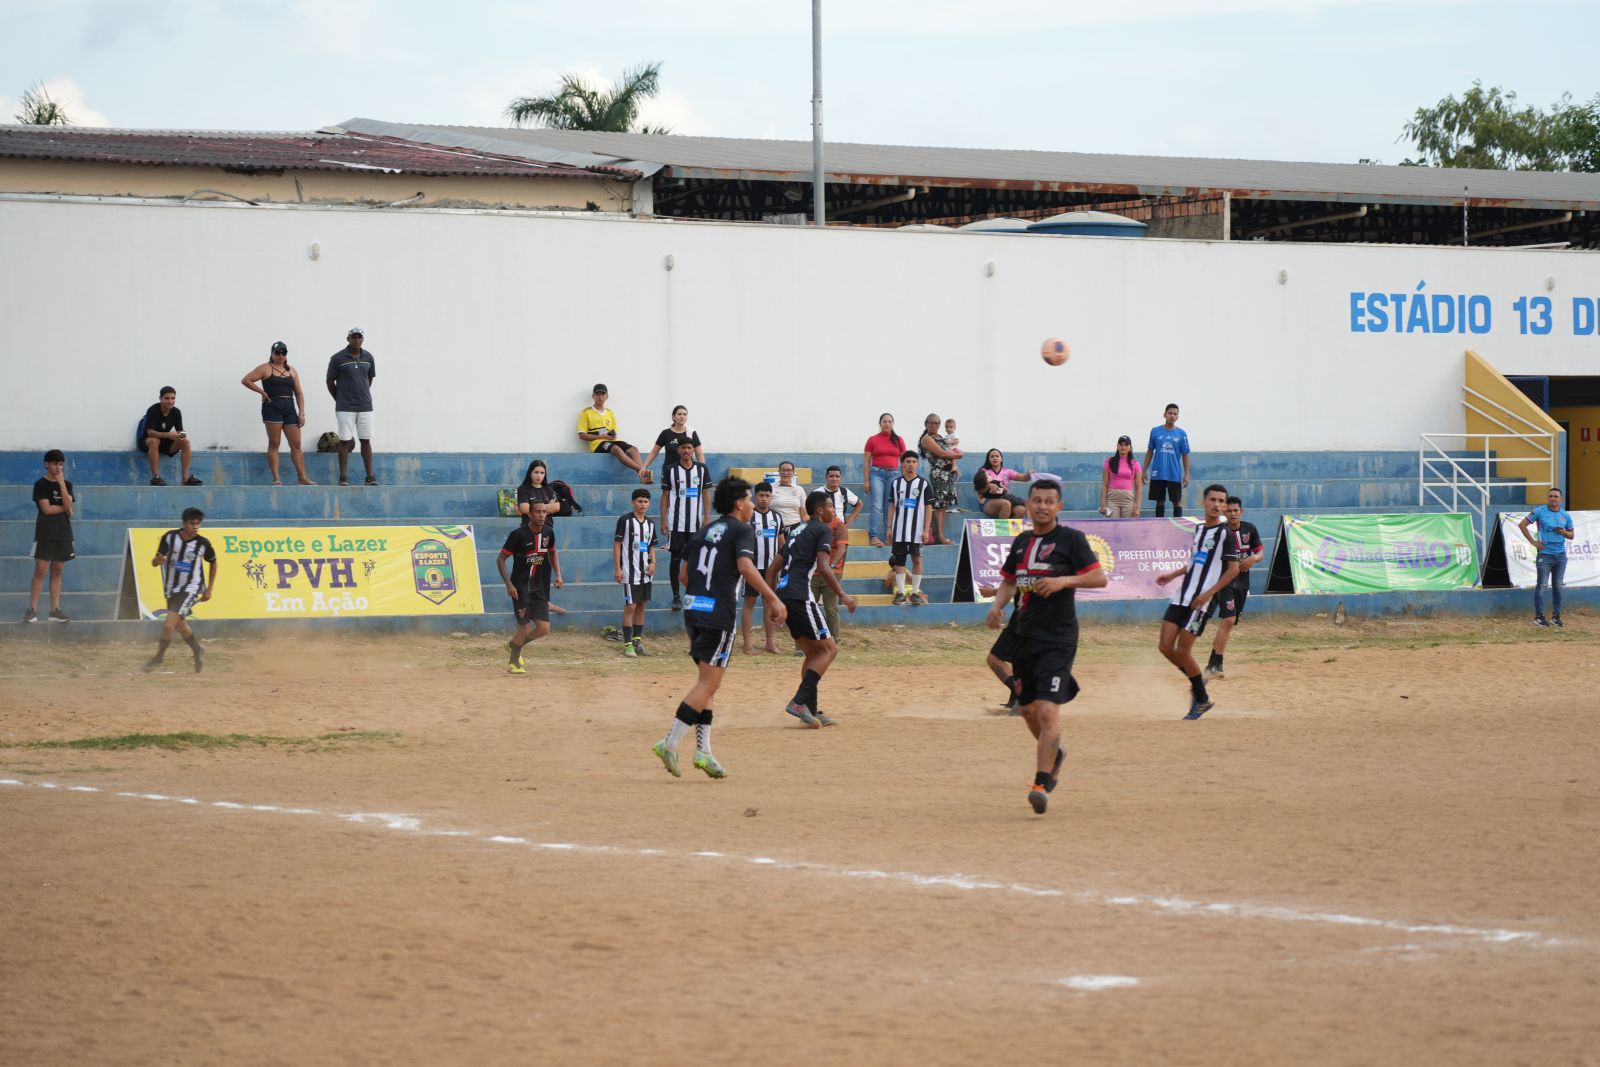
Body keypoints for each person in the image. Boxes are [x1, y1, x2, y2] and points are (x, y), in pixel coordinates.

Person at [649, 477, 787, 780]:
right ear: (739, 504)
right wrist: (773, 598)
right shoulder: (742, 530)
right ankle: (669, 742)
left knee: (706, 683)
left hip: (693, 611)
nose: (753, 505)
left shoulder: (702, 532)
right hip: (718, 615)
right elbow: (746, 567)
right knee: (708, 685)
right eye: (750, 499)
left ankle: (704, 752)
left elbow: (684, 575)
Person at [985, 479, 1107, 815]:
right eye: (1037, 500)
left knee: (1048, 710)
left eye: (1049, 501)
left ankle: (1041, 783)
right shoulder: (1022, 541)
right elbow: (1010, 579)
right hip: (1024, 634)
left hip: (1058, 637)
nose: (1042, 506)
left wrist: (1063, 580)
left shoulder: (1071, 540)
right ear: (1028, 502)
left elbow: (1099, 578)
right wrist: (997, 605)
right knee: (1027, 710)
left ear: (1059, 507)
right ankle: (1056, 751)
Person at [768, 490, 858, 727]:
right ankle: (799, 702)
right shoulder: (823, 530)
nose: (833, 511)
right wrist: (843, 595)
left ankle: (812, 710)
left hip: (785, 594)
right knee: (829, 650)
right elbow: (823, 566)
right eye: (830, 506)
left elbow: (771, 569)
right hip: (800, 595)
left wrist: (772, 601)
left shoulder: (796, 530)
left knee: (812, 653)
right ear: (820, 510)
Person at [1154, 484, 1240, 720]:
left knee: (1183, 650)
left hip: (1201, 602)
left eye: (1221, 501)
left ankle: (1200, 698)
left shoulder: (1226, 534)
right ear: (1203, 502)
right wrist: (1172, 575)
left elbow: (1233, 570)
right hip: (1182, 596)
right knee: (1164, 646)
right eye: (1213, 499)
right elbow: (1196, 562)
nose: (1217, 505)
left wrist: (1208, 594)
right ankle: (1197, 682)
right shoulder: (1200, 530)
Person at [142, 507, 216, 674]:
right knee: (181, 627)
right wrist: (157, 560)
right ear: (184, 523)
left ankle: (158, 658)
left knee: (168, 626)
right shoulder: (170, 537)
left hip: (190, 589)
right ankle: (198, 650)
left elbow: (213, 562)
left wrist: (209, 588)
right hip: (171, 589)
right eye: (192, 523)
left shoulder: (203, 543)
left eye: (198, 524)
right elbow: (155, 561)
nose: (195, 527)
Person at [497, 501, 562, 675]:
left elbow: (553, 552)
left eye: (544, 512)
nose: (542, 515)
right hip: (520, 588)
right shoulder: (518, 535)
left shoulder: (549, 532)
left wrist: (558, 575)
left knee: (544, 629)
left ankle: (514, 645)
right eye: (538, 512)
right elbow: (500, 559)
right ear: (530, 514)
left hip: (538, 587)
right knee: (524, 628)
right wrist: (509, 584)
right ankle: (513, 662)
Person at [241, 341, 314, 486]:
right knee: (275, 443)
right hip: (272, 407)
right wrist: (261, 391)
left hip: (289, 407)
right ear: (272, 354)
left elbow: (299, 393)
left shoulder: (292, 371)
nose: (281, 355)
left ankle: (302, 477)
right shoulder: (265, 368)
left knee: (296, 444)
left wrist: (302, 413)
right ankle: (276, 477)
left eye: (283, 353)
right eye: (278, 353)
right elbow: (246, 380)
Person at [1206, 496, 1263, 678]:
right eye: (1229, 511)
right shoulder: (1220, 533)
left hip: (1242, 584)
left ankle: (1212, 664)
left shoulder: (1250, 529)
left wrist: (1253, 558)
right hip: (1224, 583)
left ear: (1241, 511)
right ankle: (1218, 664)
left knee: (1228, 623)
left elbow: (1260, 552)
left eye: (1235, 510)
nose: (1232, 514)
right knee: (1229, 620)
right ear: (1224, 512)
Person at [24, 449, 74, 623]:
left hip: (64, 533)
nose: (57, 467)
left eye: (60, 464)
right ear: (47, 464)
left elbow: (70, 506)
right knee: (41, 570)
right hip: (45, 532)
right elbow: (47, 509)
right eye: (54, 464)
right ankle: (32, 610)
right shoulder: (40, 484)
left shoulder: (66, 484)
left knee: (58, 570)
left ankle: (55, 610)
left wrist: (61, 484)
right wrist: (65, 508)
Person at [661, 438, 711, 611]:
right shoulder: (671, 470)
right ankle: (676, 596)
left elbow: (705, 494)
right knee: (675, 559)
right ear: (678, 450)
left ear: (693, 450)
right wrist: (663, 520)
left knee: (696, 560)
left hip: (696, 524)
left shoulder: (702, 469)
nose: (686, 450)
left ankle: (694, 593)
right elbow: (665, 496)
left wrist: (706, 517)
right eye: (683, 447)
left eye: (689, 447)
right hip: (676, 523)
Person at [326, 327, 377, 487]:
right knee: (345, 441)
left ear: (363, 339)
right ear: (348, 339)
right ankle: (343, 477)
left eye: (359, 337)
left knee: (365, 440)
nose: (357, 340)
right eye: (354, 337)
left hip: (365, 406)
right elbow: (330, 381)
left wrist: (362, 393)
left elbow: (369, 378)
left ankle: (369, 476)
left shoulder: (368, 357)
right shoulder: (337, 358)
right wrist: (339, 398)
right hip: (345, 407)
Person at [814, 466, 861, 639]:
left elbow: (859, 504)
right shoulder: (818, 493)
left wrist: (850, 520)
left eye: (837, 476)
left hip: (837, 539)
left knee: (837, 565)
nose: (834, 479)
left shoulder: (844, 492)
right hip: (821, 541)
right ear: (826, 477)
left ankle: (834, 638)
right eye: (831, 476)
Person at [1519, 487, 1575, 628]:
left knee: (1558, 586)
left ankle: (1556, 617)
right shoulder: (1539, 511)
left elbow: (1572, 535)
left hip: (1561, 556)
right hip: (1545, 555)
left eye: (1556, 496)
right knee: (1542, 586)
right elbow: (1522, 525)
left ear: (1560, 499)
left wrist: (1563, 532)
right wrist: (1533, 542)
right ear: (1547, 498)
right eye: (1550, 496)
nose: (1553, 498)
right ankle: (1539, 617)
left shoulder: (1565, 515)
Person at [613, 488, 658, 657]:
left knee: (641, 606)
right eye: (640, 501)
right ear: (633, 502)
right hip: (629, 572)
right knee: (630, 607)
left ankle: (637, 642)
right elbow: (617, 544)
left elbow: (651, 546)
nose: (643, 504)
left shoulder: (650, 524)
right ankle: (628, 644)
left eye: (646, 501)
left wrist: (653, 563)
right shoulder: (625, 521)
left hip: (646, 572)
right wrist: (617, 568)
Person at [578, 383, 651, 484]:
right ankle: (642, 472)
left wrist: (611, 436)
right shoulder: (586, 413)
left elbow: (614, 432)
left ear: (606, 396)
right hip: (597, 444)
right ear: (593, 396)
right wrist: (601, 436)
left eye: (602, 394)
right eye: (597, 394)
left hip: (610, 441)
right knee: (616, 449)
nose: (600, 397)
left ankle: (643, 477)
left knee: (634, 449)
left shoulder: (609, 412)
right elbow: (582, 435)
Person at [741, 482, 783, 654]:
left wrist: (783, 563)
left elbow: (782, 543)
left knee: (770, 604)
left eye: (767, 496)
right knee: (749, 602)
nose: (764, 499)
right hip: (752, 567)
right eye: (761, 495)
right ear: (755, 496)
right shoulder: (748, 516)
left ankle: (770, 643)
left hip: (771, 569)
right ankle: (747, 644)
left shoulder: (777, 517)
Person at [889, 450, 932, 606]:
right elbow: (892, 506)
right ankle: (900, 593)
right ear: (902, 464)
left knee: (917, 559)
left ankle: (914, 593)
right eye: (908, 461)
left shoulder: (924, 484)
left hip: (917, 531)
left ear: (917, 464)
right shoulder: (895, 483)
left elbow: (928, 508)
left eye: (914, 461)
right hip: (899, 530)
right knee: (899, 561)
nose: (911, 464)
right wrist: (889, 527)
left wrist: (926, 530)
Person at [141, 387, 201, 487]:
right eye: (167, 398)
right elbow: (150, 433)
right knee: (154, 441)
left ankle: (185, 478)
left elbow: (180, 430)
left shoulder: (176, 412)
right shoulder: (153, 410)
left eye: (173, 398)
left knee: (186, 442)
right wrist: (169, 435)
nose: (170, 401)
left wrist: (181, 435)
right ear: (160, 398)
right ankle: (155, 477)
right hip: (147, 442)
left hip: (164, 442)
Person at [918, 413, 963, 544]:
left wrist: (955, 464)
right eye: (931, 422)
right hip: (939, 474)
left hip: (947, 474)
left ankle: (941, 535)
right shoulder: (927, 439)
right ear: (926, 424)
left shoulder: (940, 437)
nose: (934, 425)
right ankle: (940, 536)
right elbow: (943, 453)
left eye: (936, 423)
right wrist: (959, 455)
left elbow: (949, 452)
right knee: (939, 505)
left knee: (944, 505)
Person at [862, 413, 905, 548]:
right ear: (880, 423)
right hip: (876, 474)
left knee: (889, 506)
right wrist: (867, 480)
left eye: (890, 421)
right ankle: (873, 536)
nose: (887, 424)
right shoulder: (872, 439)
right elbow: (867, 461)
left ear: (893, 424)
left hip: (893, 475)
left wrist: (904, 480)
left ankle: (889, 536)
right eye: (884, 421)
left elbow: (903, 461)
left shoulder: (899, 440)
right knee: (876, 505)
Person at [1142, 403, 1191, 518]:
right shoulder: (1155, 431)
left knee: (1176, 502)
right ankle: (1159, 528)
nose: (1172, 416)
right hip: (1158, 473)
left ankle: (1178, 528)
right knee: (1160, 501)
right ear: (1164, 414)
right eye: (1170, 413)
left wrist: (1187, 474)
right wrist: (1144, 471)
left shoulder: (1182, 434)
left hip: (1174, 473)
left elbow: (1185, 454)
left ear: (1177, 417)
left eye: (1175, 414)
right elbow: (1150, 451)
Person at [641, 404, 704, 481]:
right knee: (667, 493)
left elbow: (699, 454)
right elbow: (654, 452)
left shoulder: (691, 433)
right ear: (673, 416)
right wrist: (644, 467)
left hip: (687, 471)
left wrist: (701, 470)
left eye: (685, 414)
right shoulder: (665, 433)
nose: (682, 416)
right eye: (679, 414)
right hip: (669, 472)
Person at [975, 449, 1027, 519]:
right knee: (1006, 504)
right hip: (988, 501)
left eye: (997, 456)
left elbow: (1024, 478)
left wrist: (1030, 475)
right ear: (988, 459)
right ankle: (1003, 529)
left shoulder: (1007, 471)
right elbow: (979, 489)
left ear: (1001, 458)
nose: (995, 458)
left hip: (1004, 498)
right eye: (992, 456)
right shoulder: (984, 471)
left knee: (1021, 510)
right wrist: (989, 485)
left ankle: (1010, 529)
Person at [1099, 435, 1142, 518]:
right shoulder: (1109, 461)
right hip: (1112, 499)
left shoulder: (1135, 464)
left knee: (1127, 527)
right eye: (1121, 444)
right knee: (1112, 526)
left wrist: (1137, 508)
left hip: (1128, 500)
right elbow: (1105, 484)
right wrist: (1103, 505)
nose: (1123, 447)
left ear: (1130, 448)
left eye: (1126, 445)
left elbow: (1138, 487)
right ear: (1117, 446)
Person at [769, 461, 808, 533]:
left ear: (793, 473)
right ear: (779, 471)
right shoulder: (770, 488)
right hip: (774, 528)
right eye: (783, 470)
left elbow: (804, 513)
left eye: (789, 470)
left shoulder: (799, 489)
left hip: (795, 529)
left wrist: (808, 527)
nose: (785, 473)